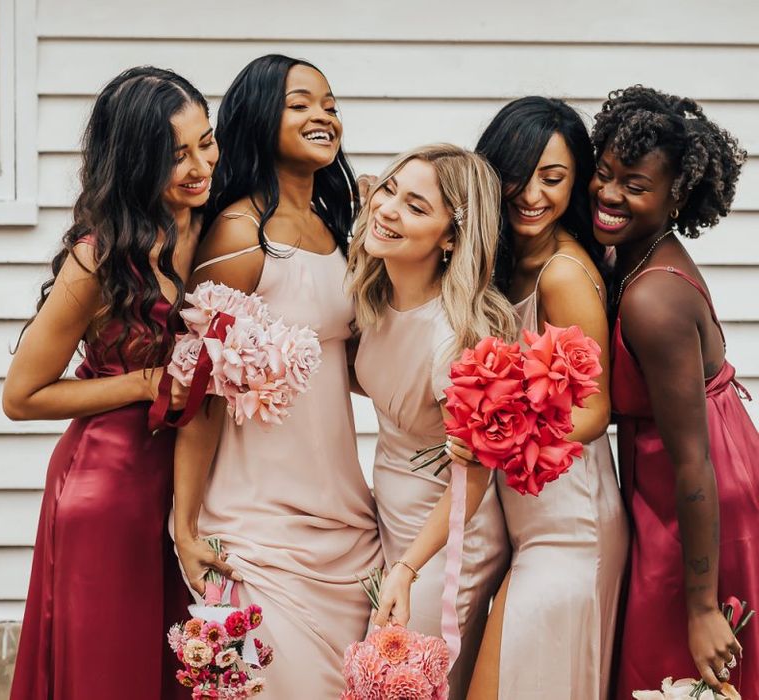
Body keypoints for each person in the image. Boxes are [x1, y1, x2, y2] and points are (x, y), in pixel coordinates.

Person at [2, 66, 217, 700]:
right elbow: (21, 395)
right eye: (176, 155)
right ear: (134, 162)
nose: (200, 164)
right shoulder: (98, 256)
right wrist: (143, 381)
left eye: (206, 141)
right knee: (110, 676)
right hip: (104, 489)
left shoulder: (207, 227)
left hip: (170, 484)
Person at [171, 54, 382, 699]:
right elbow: (201, 393)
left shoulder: (339, 229)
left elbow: (351, 367)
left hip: (344, 524)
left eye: (330, 103)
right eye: (301, 103)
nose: (323, 115)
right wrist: (185, 526)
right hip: (259, 528)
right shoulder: (238, 236)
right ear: (263, 118)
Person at [590, 85, 758, 697]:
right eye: (604, 174)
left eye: (635, 185)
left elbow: (692, 463)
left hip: (696, 493)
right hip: (681, 479)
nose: (610, 194)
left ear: (676, 194)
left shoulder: (652, 298)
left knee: (677, 672)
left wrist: (702, 607)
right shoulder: (631, 257)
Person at [468, 97, 628, 700]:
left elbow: (594, 410)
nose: (532, 193)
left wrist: (498, 437)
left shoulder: (561, 273)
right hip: (528, 525)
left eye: (553, 178)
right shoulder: (501, 262)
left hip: (572, 524)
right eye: (518, 174)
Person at [350, 143, 516, 697]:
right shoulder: (379, 297)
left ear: (451, 238)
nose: (388, 209)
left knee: (408, 680)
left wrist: (408, 569)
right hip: (391, 507)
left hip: (446, 534)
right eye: (390, 189)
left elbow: (475, 475)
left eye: (416, 206)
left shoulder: (450, 338)